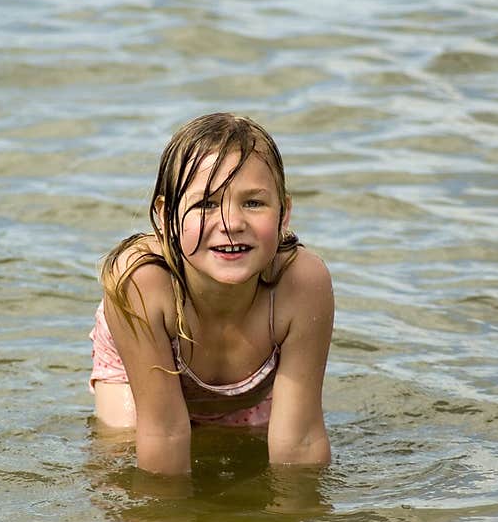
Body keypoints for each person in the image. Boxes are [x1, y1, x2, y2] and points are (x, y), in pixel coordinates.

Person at [89, 112, 334, 476]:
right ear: (165, 214)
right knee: (124, 452)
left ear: (284, 214)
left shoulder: (302, 285)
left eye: (253, 203)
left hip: (253, 391)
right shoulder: (142, 284)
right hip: (139, 364)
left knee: (251, 454)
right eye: (205, 204)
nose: (231, 223)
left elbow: (301, 442)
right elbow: (164, 433)